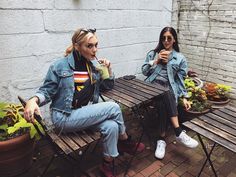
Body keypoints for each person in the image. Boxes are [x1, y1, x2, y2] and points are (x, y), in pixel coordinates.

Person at [24, 28, 145, 177]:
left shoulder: (92, 68)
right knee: (113, 107)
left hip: (81, 115)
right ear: (77, 46)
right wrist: (33, 100)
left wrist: (108, 69)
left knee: (112, 126)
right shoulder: (60, 66)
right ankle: (125, 141)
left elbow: (107, 87)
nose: (95, 50)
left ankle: (106, 165)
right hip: (63, 117)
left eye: (96, 45)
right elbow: (47, 91)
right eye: (89, 46)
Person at [141, 27, 198, 159]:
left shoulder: (180, 58)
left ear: (174, 40)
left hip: (167, 89)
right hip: (151, 85)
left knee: (164, 99)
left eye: (169, 38)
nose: (166, 41)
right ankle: (178, 132)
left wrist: (184, 96)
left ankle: (161, 140)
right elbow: (144, 71)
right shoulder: (153, 53)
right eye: (163, 38)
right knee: (166, 93)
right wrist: (156, 61)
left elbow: (180, 80)